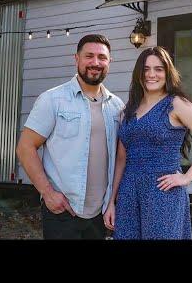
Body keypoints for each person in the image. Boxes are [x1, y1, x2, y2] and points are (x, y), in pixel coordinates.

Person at [103, 46, 192, 239]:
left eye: (158, 69)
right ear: (138, 74)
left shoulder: (176, 104)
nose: (151, 74)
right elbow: (121, 159)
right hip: (128, 192)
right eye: (146, 69)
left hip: (162, 191)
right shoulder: (128, 109)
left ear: (167, 72)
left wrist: (187, 177)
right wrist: (111, 202)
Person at [16, 34, 125, 239]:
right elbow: (25, 147)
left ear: (110, 61)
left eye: (102, 57)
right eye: (89, 56)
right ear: (77, 59)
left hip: (99, 214)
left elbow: (121, 157)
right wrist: (48, 193)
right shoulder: (53, 100)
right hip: (62, 210)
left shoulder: (117, 107)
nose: (95, 62)